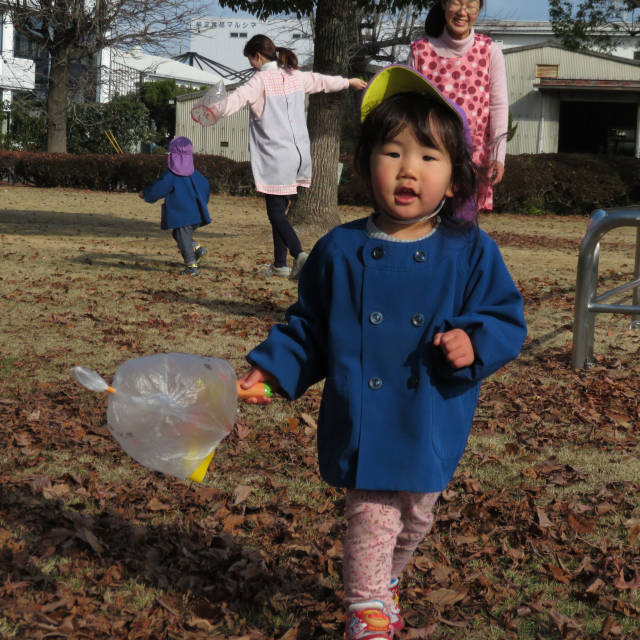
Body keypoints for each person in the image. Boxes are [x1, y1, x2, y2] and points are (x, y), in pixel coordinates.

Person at [237, 65, 527, 639]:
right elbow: (310, 327)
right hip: (366, 415)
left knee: (417, 513)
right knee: (372, 513)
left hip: (431, 413)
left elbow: (504, 316)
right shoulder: (341, 249)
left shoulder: (469, 250)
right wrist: (271, 368)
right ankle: (366, 607)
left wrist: (475, 340)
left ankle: (387, 580)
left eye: (428, 157)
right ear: (366, 162)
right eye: (392, 153)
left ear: (455, 176)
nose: (408, 170)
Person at [193, 34, 367, 279]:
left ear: (258, 56)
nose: (252, 65)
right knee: (279, 212)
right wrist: (348, 82)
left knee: (275, 212)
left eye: (251, 60)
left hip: (275, 157)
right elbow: (321, 81)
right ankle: (280, 265)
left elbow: (235, 100)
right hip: (298, 156)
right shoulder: (294, 75)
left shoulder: (260, 80)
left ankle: (300, 255)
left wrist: (210, 111)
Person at [407, 0, 508, 212]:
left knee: (463, 228)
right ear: (444, 4)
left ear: (478, 10)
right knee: (425, 222)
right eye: (456, 3)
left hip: (473, 159)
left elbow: (498, 107)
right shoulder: (420, 52)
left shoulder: (489, 51)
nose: (463, 12)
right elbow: (408, 109)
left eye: (471, 6)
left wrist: (497, 156)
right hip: (428, 155)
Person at [139, 136, 211, 276]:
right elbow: (206, 190)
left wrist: (145, 194)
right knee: (177, 234)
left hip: (182, 216)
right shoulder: (197, 175)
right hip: (197, 215)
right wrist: (202, 203)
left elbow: (157, 190)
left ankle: (191, 266)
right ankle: (197, 249)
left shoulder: (170, 176)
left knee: (182, 237)